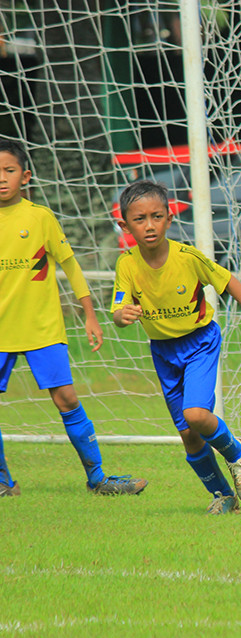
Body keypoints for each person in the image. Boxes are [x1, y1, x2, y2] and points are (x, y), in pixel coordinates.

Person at [111, 180, 241, 514]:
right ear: (125, 225)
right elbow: (118, 308)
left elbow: (228, 280)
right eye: (140, 219)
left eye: (157, 216)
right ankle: (223, 495)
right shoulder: (127, 264)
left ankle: (236, 452)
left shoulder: (187, 258)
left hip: (200, 342)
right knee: (189, 435)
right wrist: (122, 315)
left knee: (196, 414)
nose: (149, 225)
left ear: (169, 218)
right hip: (162, 351)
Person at [0, 139, 147, 498]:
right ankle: (4, 483)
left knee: (66, 398)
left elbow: (70, 265)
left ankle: (98, 478)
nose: (2, 178)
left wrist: (90, 315)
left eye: (9, 170)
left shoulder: (39, 218)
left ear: (26, 176)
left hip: (42, 328)